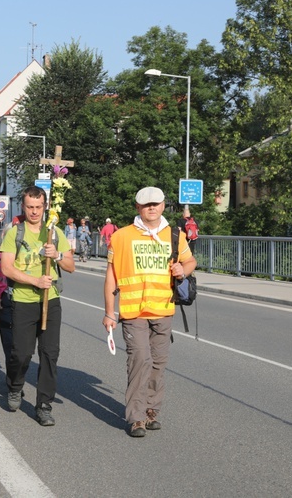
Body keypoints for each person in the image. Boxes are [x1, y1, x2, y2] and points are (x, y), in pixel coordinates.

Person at [102, 186, 196, 438]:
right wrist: (110, 312)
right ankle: (136, 418)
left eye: (156, 204)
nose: (151, 208)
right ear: (138, 208)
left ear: (163, 205)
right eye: (146, 205)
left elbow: (190, 261)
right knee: (139, 361)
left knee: (158, 364)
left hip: (164, 309)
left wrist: (183, 271)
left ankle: (151, 410)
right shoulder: (121, 237)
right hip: (134, 312)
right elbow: (111, 276)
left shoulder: (175, 234)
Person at [0, 186, 74, 426]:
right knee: (21, 353)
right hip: (23, 299)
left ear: (45, 207)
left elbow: (71, 266)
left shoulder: (54, 232)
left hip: (50, 300)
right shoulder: (15, 233)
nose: (34, 212)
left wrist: (59, 255)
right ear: (23, 206)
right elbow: (7, 268)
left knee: (50, 354)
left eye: (38, 207)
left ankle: (44, 405)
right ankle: (15, 385)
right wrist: (34, 280)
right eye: (30, 207)